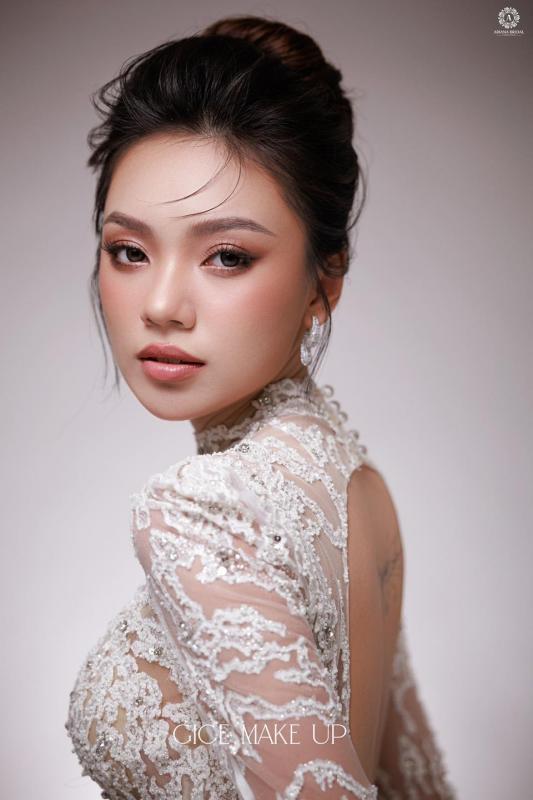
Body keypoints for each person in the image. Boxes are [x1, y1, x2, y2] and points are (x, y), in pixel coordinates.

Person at [65, 15, 458, 800]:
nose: (162, 305)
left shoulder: (204, 509)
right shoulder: (355, 485)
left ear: (325, 280)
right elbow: (410, 783)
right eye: (129, 251)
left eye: (227, 256)